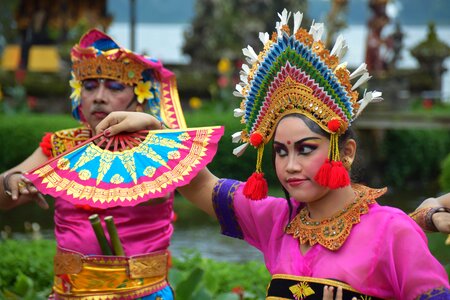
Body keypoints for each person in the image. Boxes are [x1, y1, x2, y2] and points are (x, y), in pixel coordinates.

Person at [96, 10, 450, 299]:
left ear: (347, 152)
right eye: (280, 152)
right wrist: (155, 130)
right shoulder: (276, 221)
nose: (290, 166)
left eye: (306, 149)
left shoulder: (392, 231)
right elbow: (198, 182)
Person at [0, 29, 187, 299]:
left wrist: (154, 130)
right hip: (70, 293)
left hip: (143, 293)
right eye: (89, 86)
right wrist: (11, 182)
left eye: (114, 87)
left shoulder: (160, 146)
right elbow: (4, 196)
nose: (99, 97)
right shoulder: (61, 146)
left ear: (139, 98)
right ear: (79, 95)